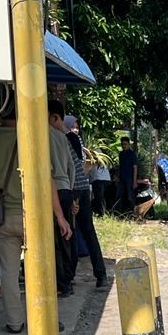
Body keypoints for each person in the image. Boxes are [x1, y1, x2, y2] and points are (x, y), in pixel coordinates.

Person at [0, 100, 72, 335]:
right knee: (40, 269)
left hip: (3, 217)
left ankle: (15, 322)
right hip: (35, 216)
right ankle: (46, 319)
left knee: (8, 272)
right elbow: (48, 181)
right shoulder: (34, 140)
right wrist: (60, 216)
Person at [64, 116, 106, 287]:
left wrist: (73, 196)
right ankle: (101, 274)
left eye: (76, 126)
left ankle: (69, 274)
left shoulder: (64, 139)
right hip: (83, 186)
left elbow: (70, 167)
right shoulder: (76, 139)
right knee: (87, 231)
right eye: (72, 126)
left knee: (69, 231)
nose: (75, 129)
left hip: (73, 187)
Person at [47, 101, 78, 295]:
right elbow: (73, 168)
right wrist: (72, 192)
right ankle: (68, 278)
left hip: (52, 190)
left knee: (56, 240)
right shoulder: (61, 137)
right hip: (66, 189)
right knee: (68, 236)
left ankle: (62, 284)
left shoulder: (42, 133)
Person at [115, 136, 142, 217]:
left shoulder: (132, 154)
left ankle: (133, 214)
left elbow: (135, 167)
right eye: (122, 144)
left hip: (130, 179)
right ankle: (118, 214)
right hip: (122, 178)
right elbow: (120, 166)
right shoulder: (121, 154)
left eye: (125, 144)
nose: (124, 146)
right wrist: (117, 177)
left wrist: (134, 181)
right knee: (118, 196)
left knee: (130, 197)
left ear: (129, 144)